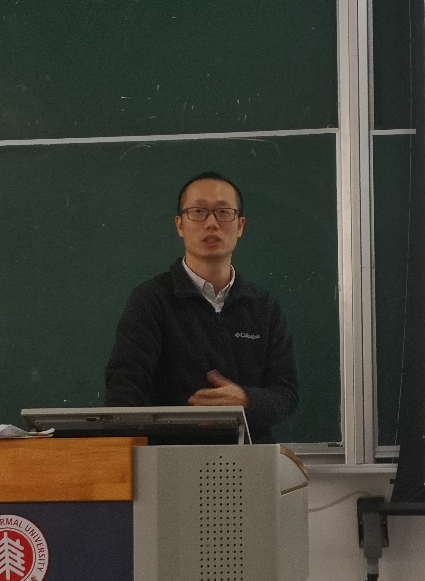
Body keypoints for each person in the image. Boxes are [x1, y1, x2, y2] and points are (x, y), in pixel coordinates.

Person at [104, 171, 299, 443]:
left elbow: (286, 393)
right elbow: (123, 393)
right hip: (167, 459)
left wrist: (247, 400)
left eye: (223, 212)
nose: (211, 223)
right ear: (180, 225)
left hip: (249, 458)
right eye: (198, 212)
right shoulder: (150, 300)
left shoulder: (263, 306)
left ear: (240, 226)